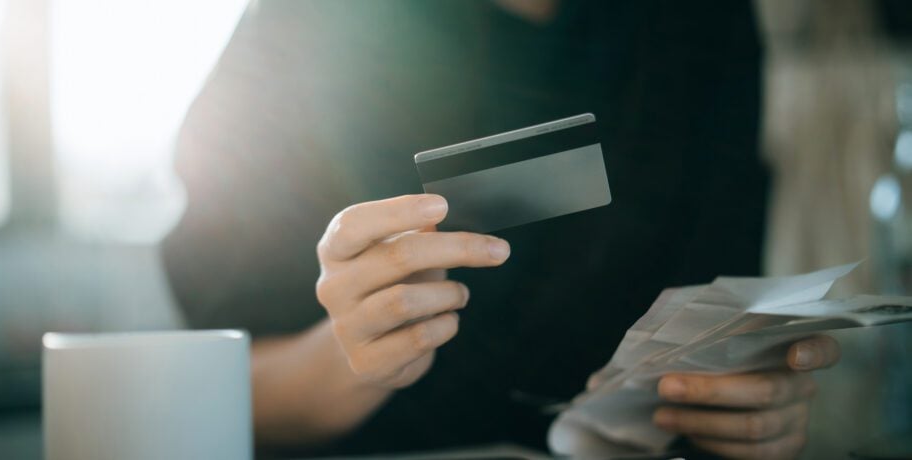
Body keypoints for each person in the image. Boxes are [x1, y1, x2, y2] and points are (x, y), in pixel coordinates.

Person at [162, 1, 841, 458]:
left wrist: (750, 415)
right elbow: (215, 395)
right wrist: (354, 356)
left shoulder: (701, 23)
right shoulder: (307, 27)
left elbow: (717, 313)